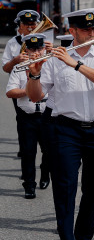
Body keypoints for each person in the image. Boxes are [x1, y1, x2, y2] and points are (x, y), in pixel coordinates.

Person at [25, 8, 94, 240]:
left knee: (92, 189)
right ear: (74, 31)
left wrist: (75, 63)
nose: (93, 33)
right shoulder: (54, 59)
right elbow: (35, 96)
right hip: (65, 130)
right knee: (65, 191)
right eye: (87, 30)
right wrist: (33, 74)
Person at [6, 33, 51, 199]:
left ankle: (45, 174)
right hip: (27, 117)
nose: (37, 52)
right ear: (27, 50)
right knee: (28, 152)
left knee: (49, 150)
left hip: (47, 116)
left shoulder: (51, 66)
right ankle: (29, 185)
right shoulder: (19, 68)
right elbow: (10, 92)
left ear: (44, 48)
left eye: (39, 48)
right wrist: (30, 91)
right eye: (32, 49)